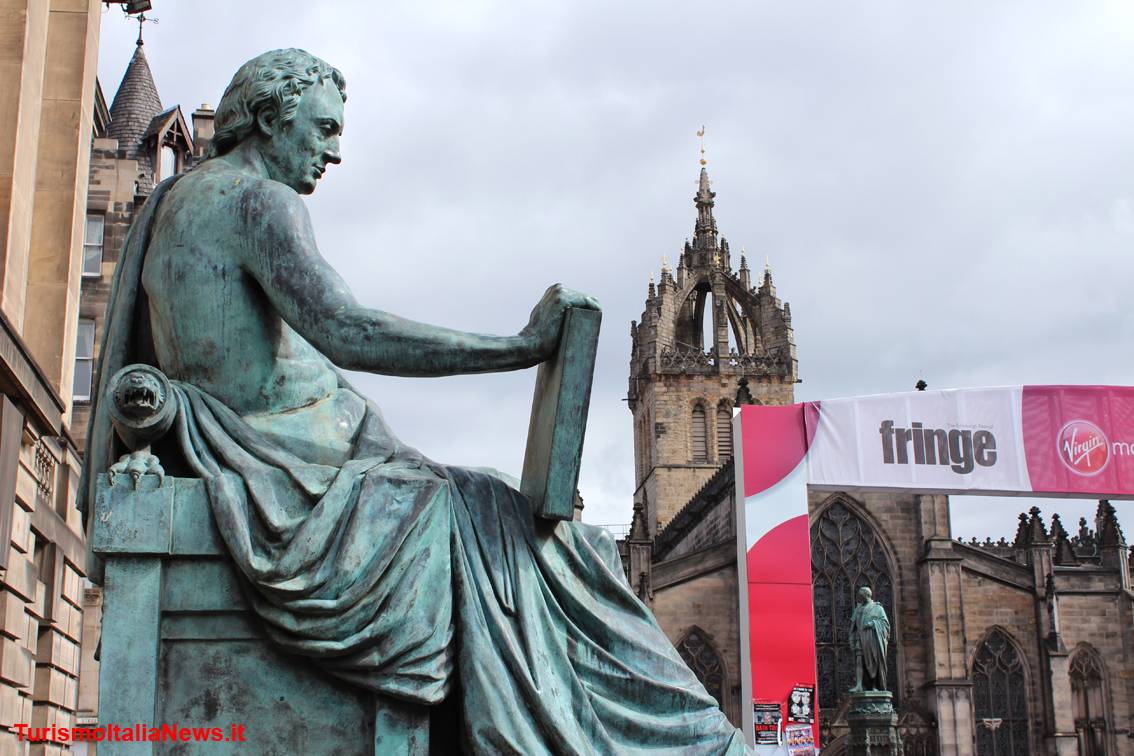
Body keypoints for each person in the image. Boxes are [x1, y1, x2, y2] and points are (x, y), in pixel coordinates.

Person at [79, 49, 752, 755]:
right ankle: (683, 738)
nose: (335, 152)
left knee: (528, 530)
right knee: (539, 549)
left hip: (293, 462)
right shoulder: (256, 200)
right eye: (324, 129)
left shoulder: (177, 198)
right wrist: (521, 347)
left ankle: (676, 730)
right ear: (270, 120)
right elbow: (350, 330)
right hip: (290, 477)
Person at [848, 586, 891, 693]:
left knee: (874, 661)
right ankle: (859, 685)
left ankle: (875, 686)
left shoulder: (878, 608)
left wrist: (873, 624)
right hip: (860, 638)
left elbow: (885, 624)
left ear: (867, 595)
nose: (860, 598)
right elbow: (854, 626)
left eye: (861, 596)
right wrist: (851, 639)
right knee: (859, 661)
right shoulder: (858, 608)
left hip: (872, 640)